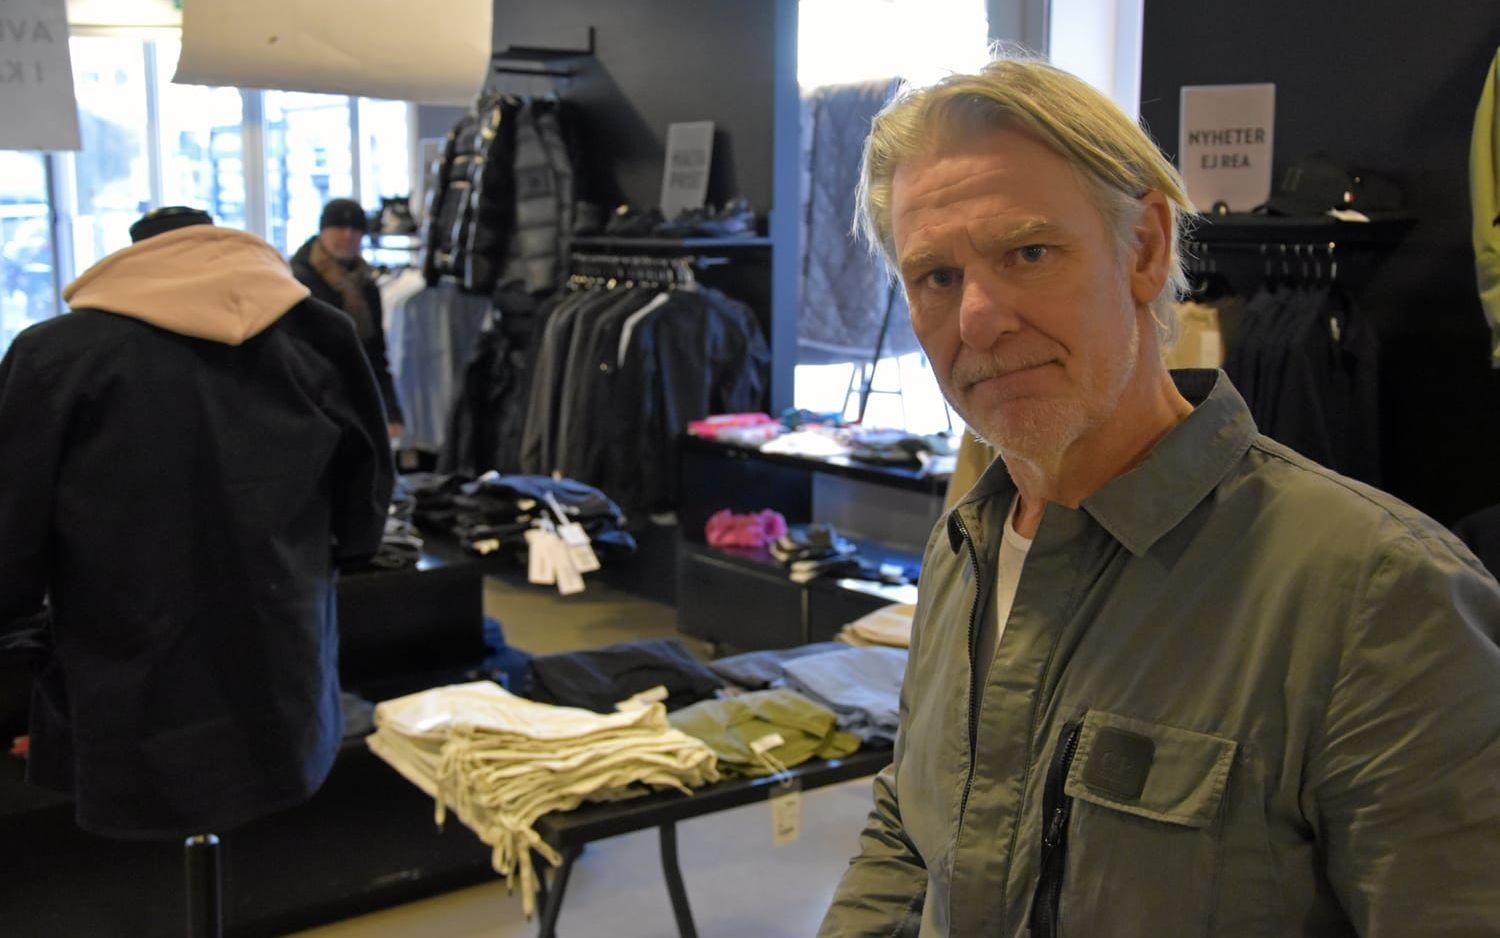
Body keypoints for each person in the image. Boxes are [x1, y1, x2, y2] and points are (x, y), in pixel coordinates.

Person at [819, 56, 1500, 937]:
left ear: (1143, 249)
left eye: (1029, 253)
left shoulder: (1378, 595)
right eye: (936, 278)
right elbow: (912, 832)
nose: (978, 318)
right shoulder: (966, 547)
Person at [0, 206, 393, 839]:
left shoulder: (56, 356)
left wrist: (15, 618)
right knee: (268, 754)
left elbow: (12, 515)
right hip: (278, 630)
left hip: (132, 646)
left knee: (157, 780)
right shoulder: (316, 335)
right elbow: (368, 474)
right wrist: (354, 544)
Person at [291, 197, 405, 439]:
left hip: (356, 404)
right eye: (339, 227)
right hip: (311, 405)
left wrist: (390, 411)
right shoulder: (297, 280)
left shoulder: (366, 283)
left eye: (355, 229)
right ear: (323, 230)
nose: (347, 235)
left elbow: (375, 352)